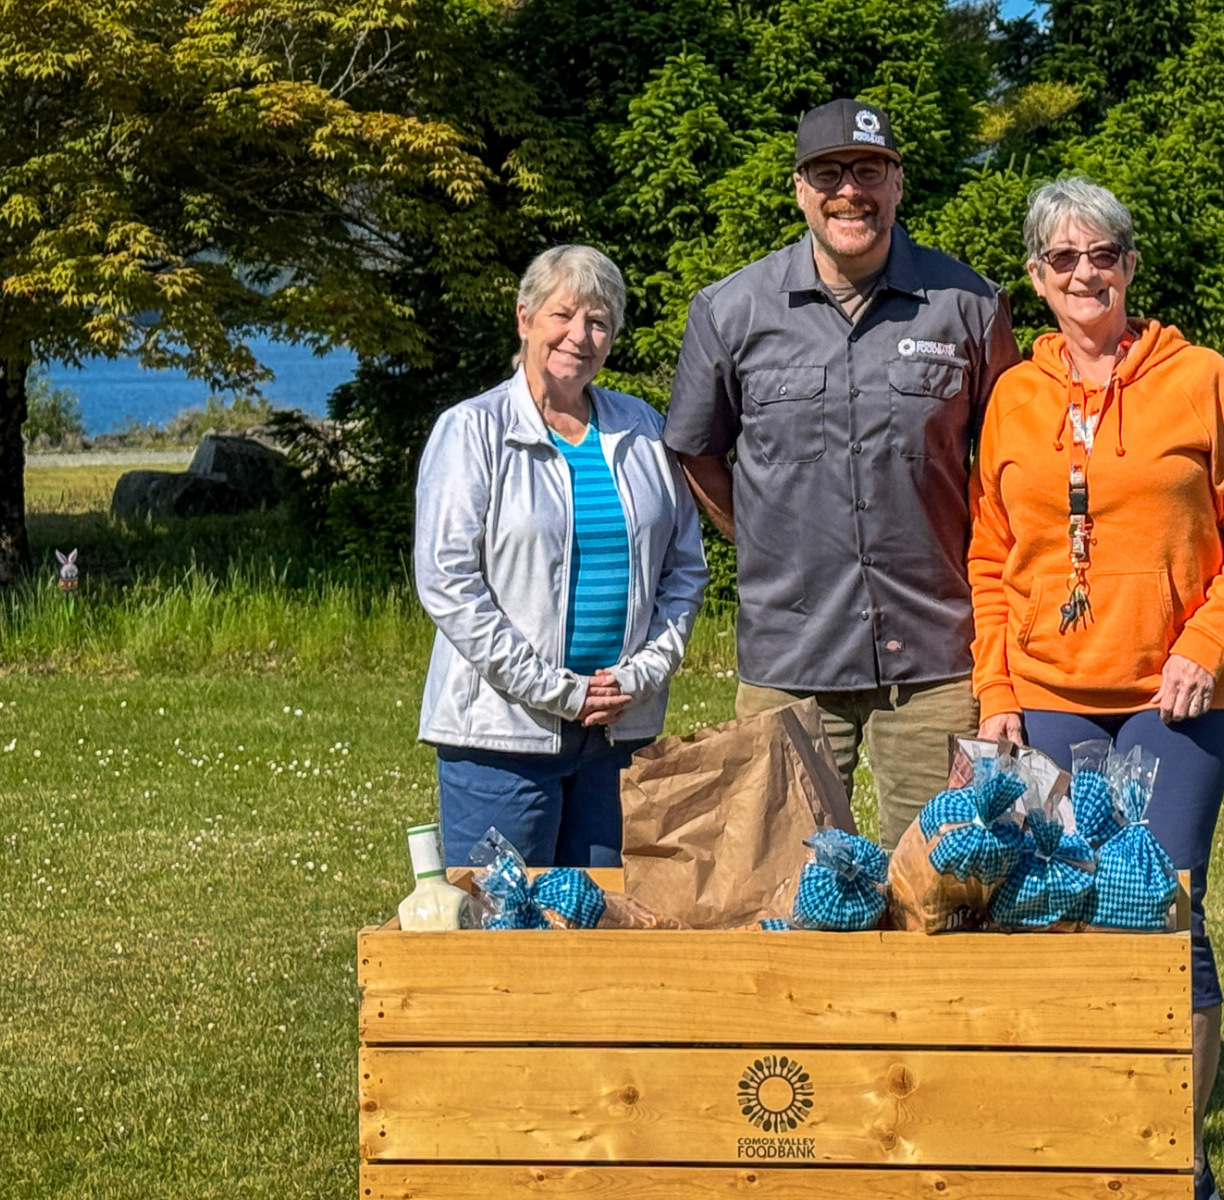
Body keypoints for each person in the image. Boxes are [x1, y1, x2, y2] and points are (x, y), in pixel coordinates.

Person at [966, 178, 1224, 1200]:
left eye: (1102, 253)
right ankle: (1087, 1140)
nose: (1084, 274)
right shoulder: (1013, 398)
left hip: (1176, 696)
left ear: (1131, 264)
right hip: (1051, 694)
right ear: (1036, 278)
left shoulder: (1199, 378)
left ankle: (1174, 1156)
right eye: (1061, 260)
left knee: (1160, 907)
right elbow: (989, 552)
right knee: (1057, 909)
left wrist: (1209, 640)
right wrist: (997, 689)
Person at [664, 99, 1021, 848]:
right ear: (800, 188)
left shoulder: (971, 306)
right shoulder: (730, 311)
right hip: (789, 662)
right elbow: (696, 450)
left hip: (935, 664)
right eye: (829, 171)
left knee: (939, 892)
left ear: (898, 183)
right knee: (789, 894)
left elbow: (1013, 465)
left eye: (869, 170)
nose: (849, 190)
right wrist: (761, 539)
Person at [414, 244, 708, 868]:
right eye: (563, 314)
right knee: (503, 936)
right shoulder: (471, 431)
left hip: (616, 737)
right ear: (524, 318)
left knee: (611, 931)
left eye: (599, 322)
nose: (580, 335)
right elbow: (449, 584)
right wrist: (557, 691)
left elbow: (685, 573)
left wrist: (639, 676)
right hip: (500, 737)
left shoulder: (645, 431)